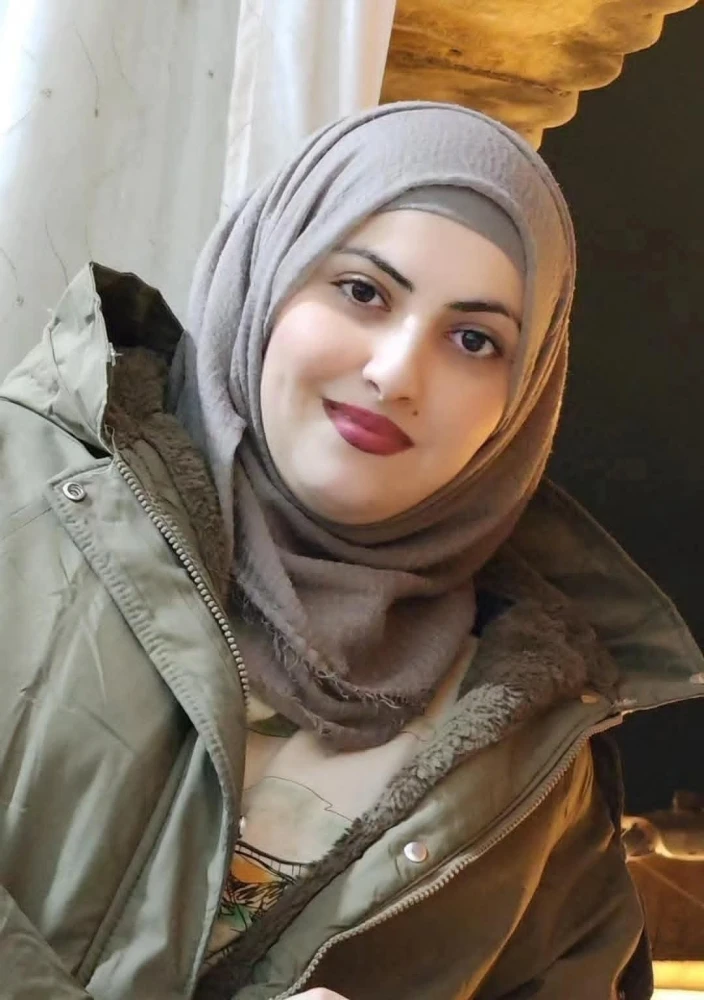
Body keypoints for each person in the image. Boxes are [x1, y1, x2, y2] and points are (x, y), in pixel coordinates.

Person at [0, 101, 701, 1000]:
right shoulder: (24, 500)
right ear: (268, 272)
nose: (397, 372)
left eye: (474, 340)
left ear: (524, 400)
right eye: (363, 291)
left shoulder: (538, 764)